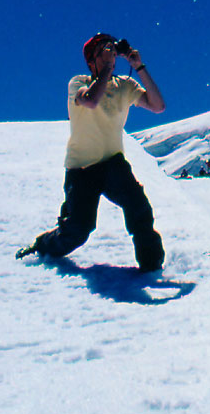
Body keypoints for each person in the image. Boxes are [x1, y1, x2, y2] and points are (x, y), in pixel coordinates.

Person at [16, 33, 167, 272]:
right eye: (103, 50)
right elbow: (90, 101)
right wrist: (106, 71)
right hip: (81, 169)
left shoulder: (124, 86)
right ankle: (43, 245)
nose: (110, 54)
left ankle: (151, 266)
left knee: (139, 207)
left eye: (112, 49)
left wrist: (139, 67)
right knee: (77, 231)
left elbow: (158, 106)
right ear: (91, 61)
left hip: (112, 164)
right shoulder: (78, 83)